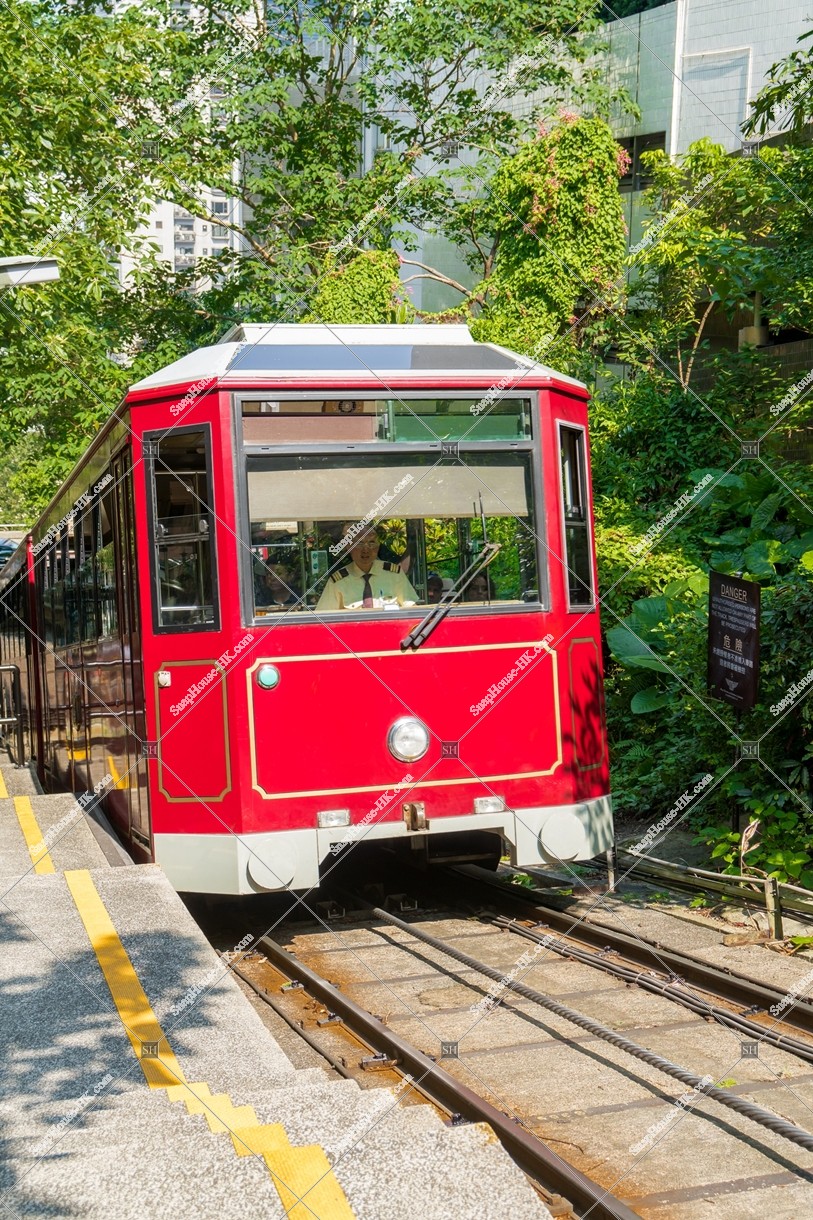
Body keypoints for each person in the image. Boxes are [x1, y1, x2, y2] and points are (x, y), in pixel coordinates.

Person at [316, 525, 418, 610]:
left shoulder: (394, 575)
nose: (366, 549)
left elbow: (411, 609)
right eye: (359, 543)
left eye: (371, 543)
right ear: (349, 547)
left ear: (378, 547)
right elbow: (324, 618)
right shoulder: (338, 581)